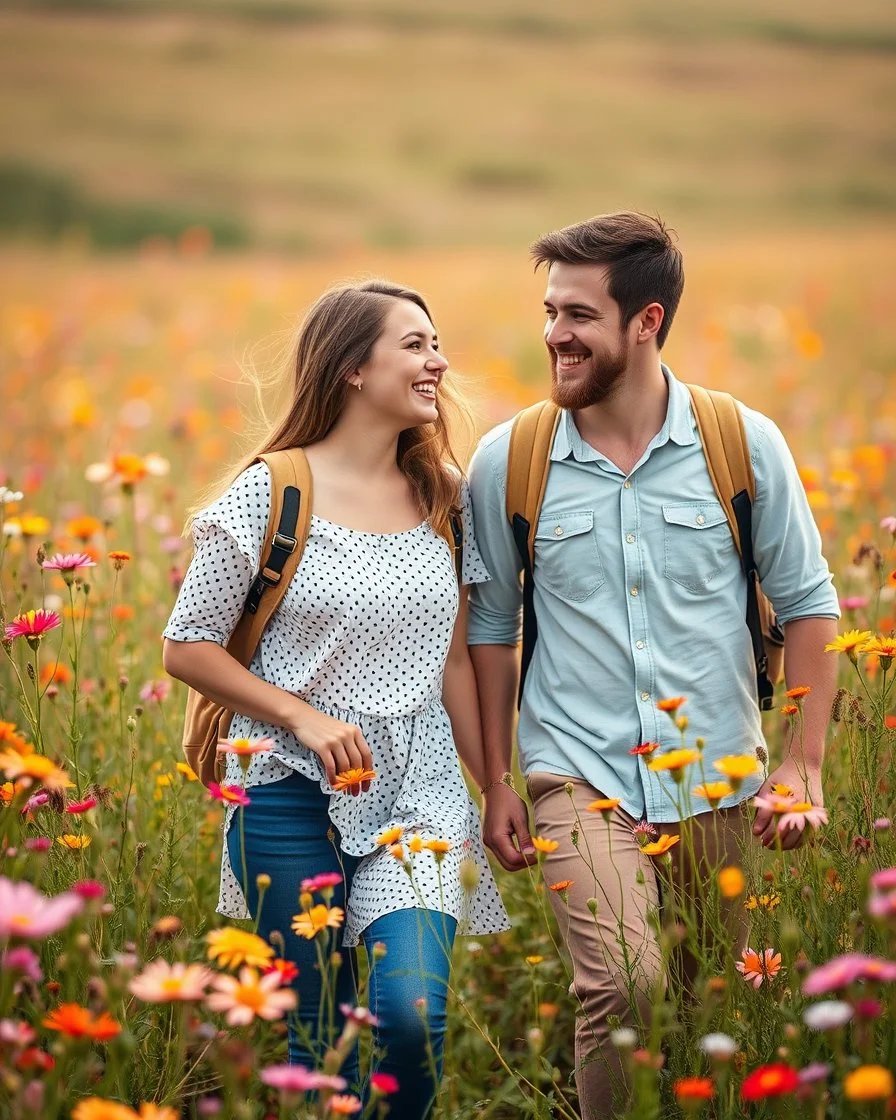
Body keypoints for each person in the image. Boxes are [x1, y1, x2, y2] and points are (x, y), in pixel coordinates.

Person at [466, 212, 840, 1118]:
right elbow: (489, 632)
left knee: (720, 1002)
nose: (556, 333)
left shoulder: (740, 443)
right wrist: (497, 784)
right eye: (551, 310)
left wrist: (803, 764)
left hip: (716, 777)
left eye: (580, 315)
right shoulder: (508, 460)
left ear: (647, 321)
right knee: (625, 988)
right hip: (576, 777)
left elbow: (809, 607)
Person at [162, 279, 509, 1119]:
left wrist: (497, 785)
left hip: (421, 794)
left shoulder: (446, 497)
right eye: (417, 345)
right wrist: (301, 717)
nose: (440, 362)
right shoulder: (272, 492)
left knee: (407, 1013)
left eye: (437, 344)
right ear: (353, 366)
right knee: (318, 1036)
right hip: (285, 788)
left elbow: (458, 661)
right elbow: (186, 646)